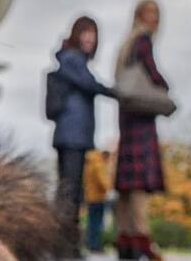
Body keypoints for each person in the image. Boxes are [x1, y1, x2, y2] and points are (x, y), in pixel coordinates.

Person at [51, 15, 115, 258]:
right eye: (86, 32)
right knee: (69, 192)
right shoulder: (71, 60)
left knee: (72, 190)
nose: (90, 38)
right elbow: (90, 85)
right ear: (77, 34)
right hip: (72, 136)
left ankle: (66, 245)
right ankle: (64, 247)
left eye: (94, 33)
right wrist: (118, 93)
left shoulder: (75, 62)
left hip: (74, 136)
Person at [114, 0, 169, 260]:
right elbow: (153, 73)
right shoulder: (143, 41)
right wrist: (163, 87)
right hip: (141, 121)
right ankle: (142, 239)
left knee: (126, 186)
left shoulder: (125, 47)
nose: (154, 20)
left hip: (127, 119)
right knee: (137, 185)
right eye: (151, 14)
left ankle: (125, 237)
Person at [84, 149, 112, 253]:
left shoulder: (89, 163)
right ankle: (95, 246)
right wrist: (110, 189)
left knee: (92, 222)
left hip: (90, 197)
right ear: (105, 155)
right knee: (97, 223)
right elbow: (103, 181)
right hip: (98, 198)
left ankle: (91, 244)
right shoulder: (99, 164)